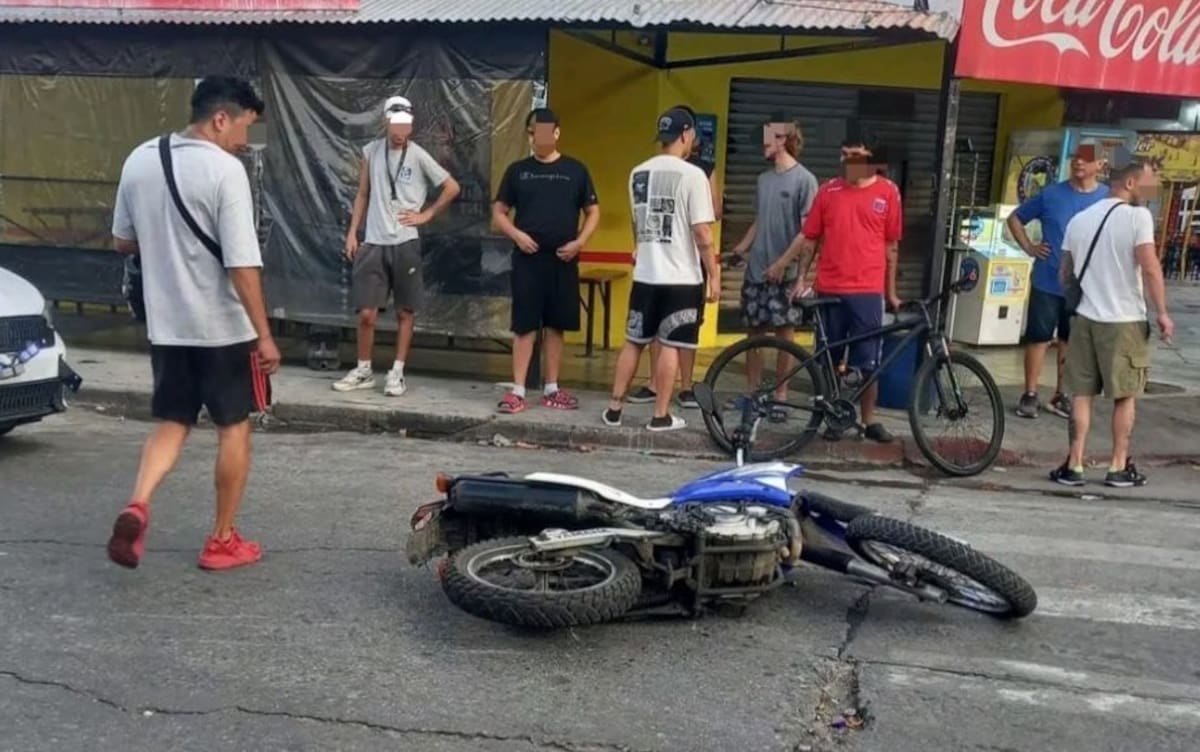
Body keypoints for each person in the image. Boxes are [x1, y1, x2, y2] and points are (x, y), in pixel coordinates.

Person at [106, 75, 281, 572]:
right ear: (221, 118)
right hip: (223, 329)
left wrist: (165, 240)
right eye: (244, 127)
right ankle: (222, 539)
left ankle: (137, 502)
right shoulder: (225, 172)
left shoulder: (140, 158)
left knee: (172, 422)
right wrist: (265, 335)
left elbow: (122, 240)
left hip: (167, 325)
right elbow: (241, 265)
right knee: (234, 428)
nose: (246, 141)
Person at [767, 133, 903, 443]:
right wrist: (801, 278)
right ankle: (832, 418)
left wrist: (891, 292)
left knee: (869, 362)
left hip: (868, 291)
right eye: (843, 154)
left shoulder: (888, 192)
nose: (846, 160)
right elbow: (810, 238)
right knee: (827, 359)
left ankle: (869, 421)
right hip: (829, 288)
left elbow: (891, 245)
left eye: (853, 154)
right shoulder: (828, 191)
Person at [1051, 160, 1171, 488]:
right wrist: (1161, 312)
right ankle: (1118, 466)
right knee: (1124, 395)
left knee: (1081, 394)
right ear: (1130, 183)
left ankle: (1074, 465)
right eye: (1151, 181)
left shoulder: (1079, 220)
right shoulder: (1138, 217)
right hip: (1124, 322)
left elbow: (1065, 272)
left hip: (1085, 319)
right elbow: (1149, 267)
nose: (1154, 187)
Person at [336, 95, 461, 397]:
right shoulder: (371, 152)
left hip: (405, 240)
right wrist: (354, 232)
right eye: (395, 123)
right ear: (386, 122)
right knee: (366, 312)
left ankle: (397, 371)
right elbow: (363, 193)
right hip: (374, 241)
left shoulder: (417, 155)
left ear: (411, 126)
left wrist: (427, 214)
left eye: (405, 125)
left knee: (405, 311)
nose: (400, 130)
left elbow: (452, 187)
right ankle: (364, 368)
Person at [604, 107, 719, 431]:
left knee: (634, 341)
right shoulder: (693, 175)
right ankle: (660, 415)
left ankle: (614, 409)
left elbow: (636, 223)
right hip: (681, 278)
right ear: (686, 135)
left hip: (646, 275)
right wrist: (714, 274)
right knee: (669, 344)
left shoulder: (638, 173)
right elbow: (703, 233)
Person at [492, 108, 600, 413]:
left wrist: (580, 242)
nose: (536, 138)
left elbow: (594, 211)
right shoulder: (517, 171)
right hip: (528, 260)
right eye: (531, 132)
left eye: (543, 131)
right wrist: (516, 235)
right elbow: (499, 212)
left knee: (556, 325)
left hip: (563, 260)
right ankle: (518, 390)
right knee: (525, 325)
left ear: (556, 133)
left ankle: (552, 388)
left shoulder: (576, 170)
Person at [1007, 140, 1109, 420]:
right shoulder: (1051, 194)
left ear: (1100, 164)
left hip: (1084, 285)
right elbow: (1015, 219)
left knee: (1070, 340)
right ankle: (1029, 393)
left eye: (1086, 159)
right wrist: (1029, 247)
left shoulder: (1108, 198)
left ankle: (1060, 395)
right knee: (1039, 338)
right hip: (1047, 280)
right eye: (1076, 157)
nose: (1078, 162)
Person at [731, 118, 818, 414]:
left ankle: (781, 396)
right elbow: (759, 220)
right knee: (754, 333)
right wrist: (742, 247)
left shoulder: (805, 180)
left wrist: (785, 266)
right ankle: (752, 393)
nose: (762, 145)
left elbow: (807, 232)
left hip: (785, 275)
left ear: (782, 140)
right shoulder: (763, 179)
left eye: (767, 139)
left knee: (785, 335)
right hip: (756, 270)